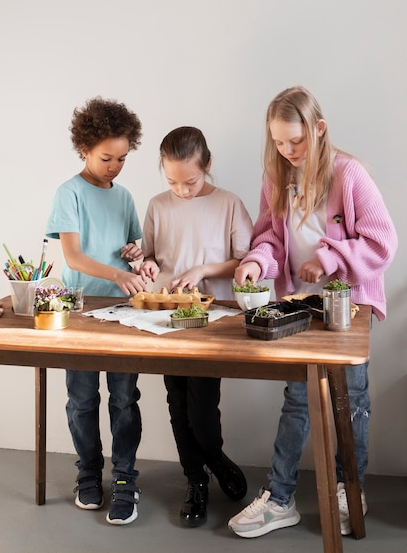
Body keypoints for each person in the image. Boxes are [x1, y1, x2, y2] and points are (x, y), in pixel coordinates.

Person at [228, 86, 398, 539]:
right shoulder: (277, 176)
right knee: (298, 399)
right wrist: (253, 262)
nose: (288, 151)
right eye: (279, 142)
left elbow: (382, 241)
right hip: (299, 307)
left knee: (352, 401)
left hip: (347, 306)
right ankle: (280, 498)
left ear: (319, 129)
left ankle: (349, 488)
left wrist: (327, 259)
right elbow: (270, 239)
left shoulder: (350, 174)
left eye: (296, 141)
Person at [133, 126, 254, 527]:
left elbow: (247, 260)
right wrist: (143, 263)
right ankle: (195, 480)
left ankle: (215, 458)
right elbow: (149, 257)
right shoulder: (157, 205)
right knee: (177, 403)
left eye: (191, 181)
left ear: (208, 167)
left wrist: (203, 268)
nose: (181, 190)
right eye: (172, 182)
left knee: (202, 406)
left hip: (213, 319)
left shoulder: (229, 204)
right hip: (167, 317)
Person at [46, 97, 149, 525]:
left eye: (122, 158)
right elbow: (73, 257)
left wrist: (136, 255)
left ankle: (125, 477)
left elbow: (138, 253)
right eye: (106, 157)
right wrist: (117, 273)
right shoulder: (68, 193)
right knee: (81, 401)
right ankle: (89, 471)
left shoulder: (124, 197)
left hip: (124, 312)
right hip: (82, 311)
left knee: (124, 399)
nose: (114, 166)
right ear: (84, 148)